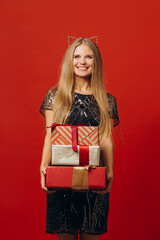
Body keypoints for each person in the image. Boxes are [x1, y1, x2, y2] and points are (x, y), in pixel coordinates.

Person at [39, 37, 120, 240]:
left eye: (88, 57)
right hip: (62, 175)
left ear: (96, 62)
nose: (82, 61)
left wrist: (110, 171)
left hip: (93, 175)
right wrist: (43, 168)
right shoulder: (54, 96)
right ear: (70, 61)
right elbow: (50, 135)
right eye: (77, 56)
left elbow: (106, 138)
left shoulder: (107, 100)